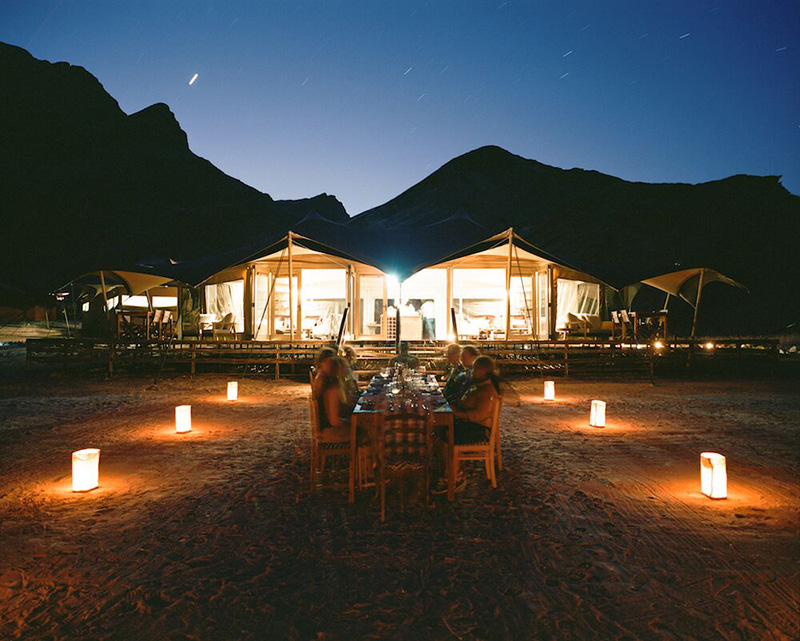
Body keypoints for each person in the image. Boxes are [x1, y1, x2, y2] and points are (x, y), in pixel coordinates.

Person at [451, 355, 502, 443]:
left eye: (475, 369)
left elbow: (478, 415)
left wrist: (457, 413)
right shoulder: (480, 385)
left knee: (445, 429)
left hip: (478, 430)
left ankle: (446, 454)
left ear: (483, 371)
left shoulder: (487, 390)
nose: (472, 372)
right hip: (472, 424)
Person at [312, 353, 351, 431]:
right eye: (345, 367)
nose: (348, 370)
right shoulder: (333, 390)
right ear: (338, 370)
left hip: (329, 428)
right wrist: (353, 422)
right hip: (333, 433)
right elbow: (334, 421)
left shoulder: (330, 385)